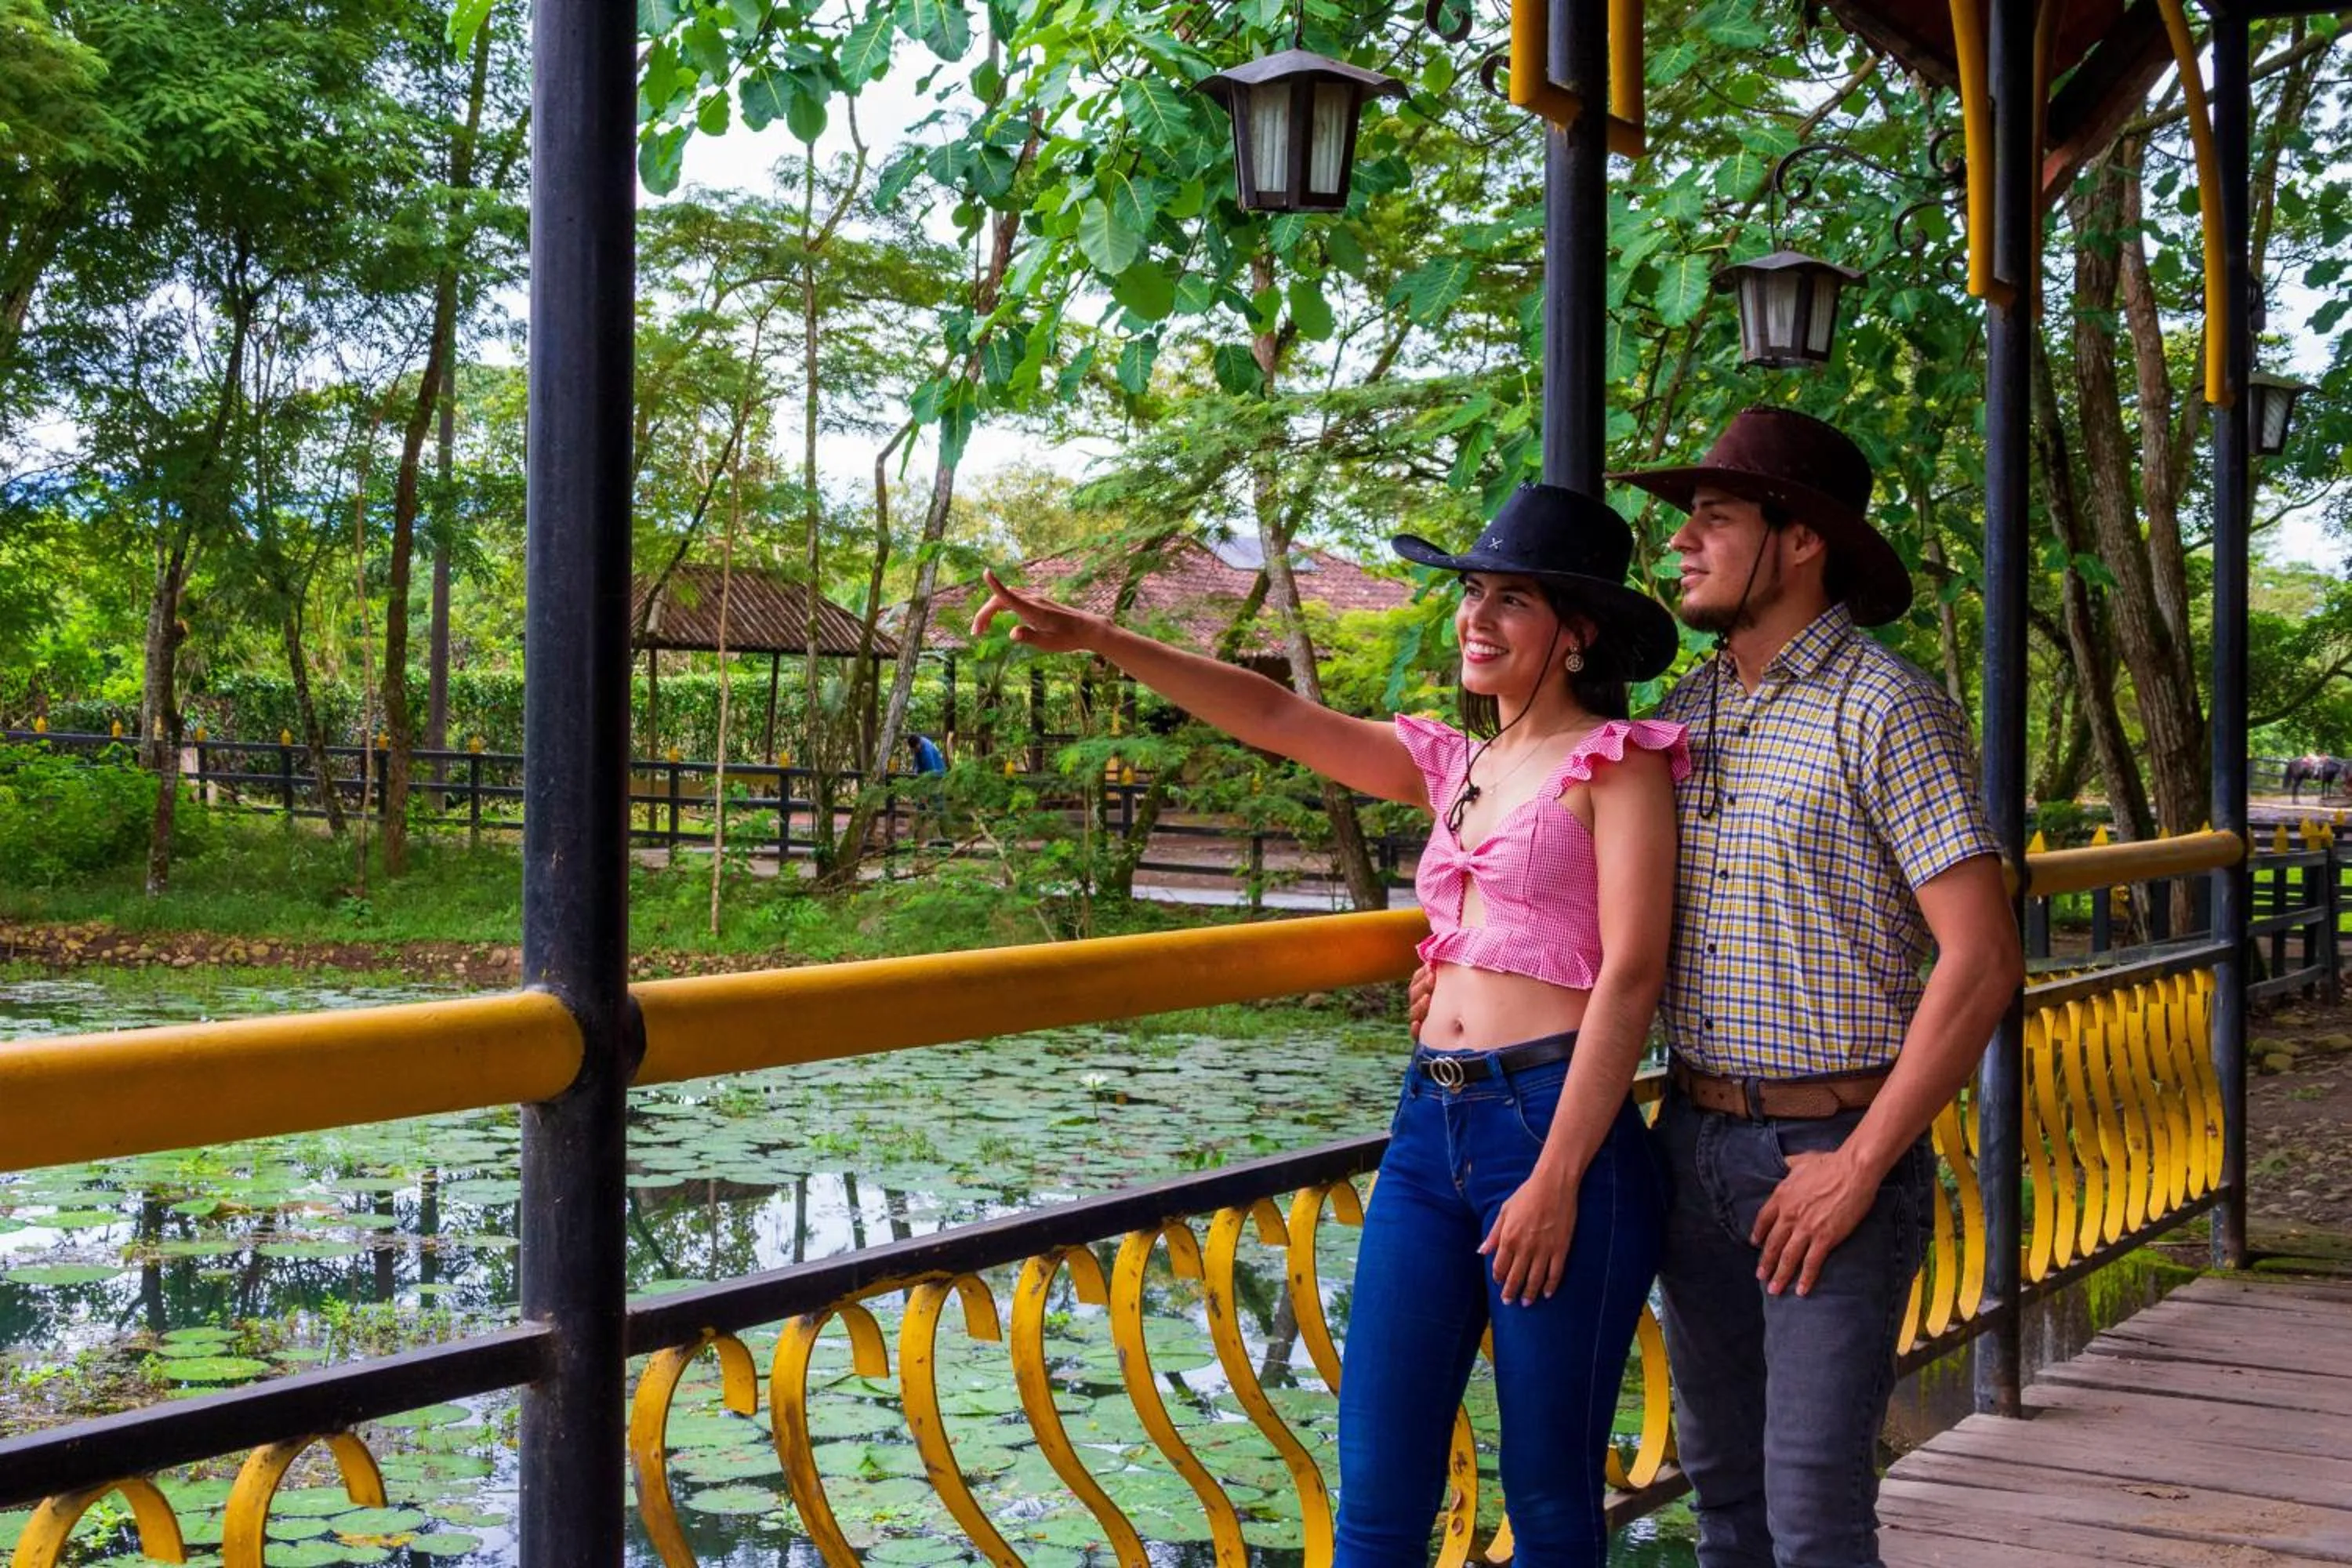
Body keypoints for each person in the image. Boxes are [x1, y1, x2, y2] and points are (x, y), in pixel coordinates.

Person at [974, 485, 1685, 1566]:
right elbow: (1276, 719)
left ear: (1578, 631)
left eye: (1512, 603)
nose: (1476, 621)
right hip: (1427, 1131)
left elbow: (1631, 976)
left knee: (1546, 1499)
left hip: (1556, 1131)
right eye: (1471, 594)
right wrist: (1107, 642)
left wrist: (1558, 1178)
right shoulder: (1459, 762)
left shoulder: (1618, 762)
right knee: (1379, 1493)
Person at [1414, 407, 2020, 1567]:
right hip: (1688, 1139)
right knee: (1723, 1499)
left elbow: (1984, 958)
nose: (1682, 542)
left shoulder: (1886, 707)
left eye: (1715, 519)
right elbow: (1563, 868)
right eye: (1687, 522)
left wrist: (1859, 1165)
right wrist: (1451, 952)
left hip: (1832, 1148)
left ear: (1802, 543)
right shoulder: (1682, 715)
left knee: (1813, 1516)